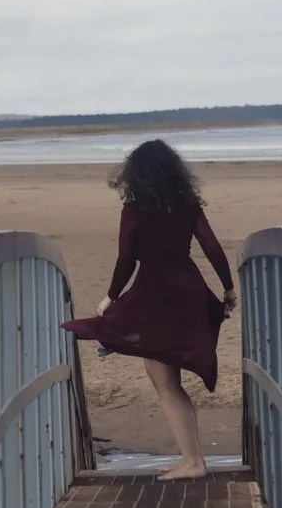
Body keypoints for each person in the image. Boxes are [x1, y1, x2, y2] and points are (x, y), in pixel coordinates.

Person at [63, 139, 236, 480]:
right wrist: (227, 288)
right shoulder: (187, 205)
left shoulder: (134, 210)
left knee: (166, 385)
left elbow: (126, 259)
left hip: (156, 292)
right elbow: (213, 248)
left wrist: (110, 296)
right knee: (170, 381)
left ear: (135, 175)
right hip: (188, 289)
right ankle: (192, 459)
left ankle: (193, 462)